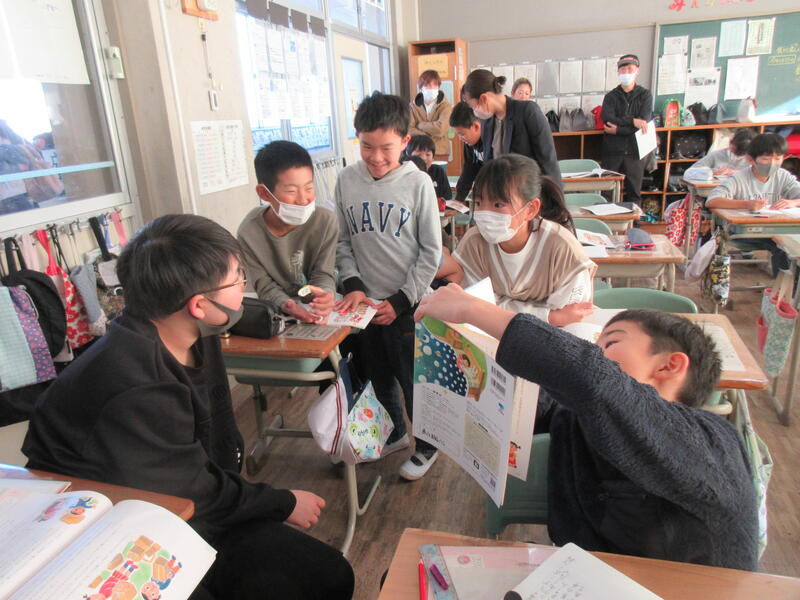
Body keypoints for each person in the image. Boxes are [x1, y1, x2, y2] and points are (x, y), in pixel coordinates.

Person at [23, 214, 354, 600]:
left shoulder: (190, 328)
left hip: (180, 495)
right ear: (199, 305)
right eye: (238, 278)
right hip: (112, 524)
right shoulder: (137, 383)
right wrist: (283, 502)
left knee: (329, 575)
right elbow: (190, 494)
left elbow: (198, 477)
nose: (244, 285)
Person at [414, 285, 758, 571]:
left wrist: (474, 310)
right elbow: (538, 402)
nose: (595, 353)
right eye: (593, 346)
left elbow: (595, 380)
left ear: (669, 366)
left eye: (610, 344)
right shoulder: (576, 418)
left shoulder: (713, 441)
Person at [334, 91, 443, 481]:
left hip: (407, 305)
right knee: (376, 376)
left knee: (414, 382)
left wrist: (401, 300)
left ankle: (427, 445)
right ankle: (394, 433)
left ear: (405, 142)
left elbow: (431, 251)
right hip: (364, 305)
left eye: (386, 148)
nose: (376, 157)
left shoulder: (418, 184)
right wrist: (353, 285)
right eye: (366, 146)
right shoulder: (346, 180)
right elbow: (342, 241)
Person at [453, 154, 594, 327]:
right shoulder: (473, 243)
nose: (485, 213)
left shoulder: (562, 247)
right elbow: (475, 307)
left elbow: (571, 316)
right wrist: (549, 316)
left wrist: (499, 308)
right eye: (478, 203)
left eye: (498, 205)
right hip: (490, 335)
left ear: (530, 209)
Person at [237, 140, 337, 323]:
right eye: (291, 191)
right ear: (264, 193)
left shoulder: (325, 221)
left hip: (318, 308)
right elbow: (262, 283)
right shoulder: (249, 232)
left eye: (309, 188)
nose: (303, 199)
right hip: (278, 311)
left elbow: (324, 272)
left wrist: (324, 296)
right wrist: (287, 304)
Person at [706, 132, 800, 275]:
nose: (772, 164)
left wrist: (793, 202)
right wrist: (747, 204)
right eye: (766, 159)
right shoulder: (739, 178)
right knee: (783, 246)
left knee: (789, 244)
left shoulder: (783, 176)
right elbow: (712, 201)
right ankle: (783, 283)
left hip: (776, 228)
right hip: (747, 231)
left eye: (777, 159)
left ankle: (789, 284)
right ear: (751, 159)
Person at [461, 69, 561, 184]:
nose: (475, 112)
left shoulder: (528, 111)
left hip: (527, 188)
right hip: (501, 190)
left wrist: (554, 193)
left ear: (484, 98)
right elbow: (488, 163)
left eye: (474, 107)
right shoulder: (487, 122)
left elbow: (548, 161)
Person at [600, 54, 653, 205]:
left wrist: (618, 130)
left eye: (630, 68)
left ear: (637, 70)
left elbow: (643, 124)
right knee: (607, 193)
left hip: (635, 151)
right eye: (622, 69)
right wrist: (632, 121)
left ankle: (633, 220)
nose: (626, 72)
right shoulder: (611, 96)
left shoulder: (645, 96)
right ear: (618, 72)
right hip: (612, 151)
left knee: (634, 193)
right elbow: (608, 120)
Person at [409, 69, 453, 161]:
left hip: (440, 152)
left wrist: (420, 125)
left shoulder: (445, 106)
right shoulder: (413, 106)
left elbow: (440, 129)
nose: (431, 88)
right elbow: (409, 129)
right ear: (421, 87)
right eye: (427, 85)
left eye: (435, 85)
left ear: (438, 87)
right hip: (418, 152)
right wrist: (428, 135)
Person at [449, 102, 485, 202]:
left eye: (462, 134)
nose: (460, 139)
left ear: (476, 127)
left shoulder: (492, 141)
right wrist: (459, 199)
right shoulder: (470, 142)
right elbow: (469, 169)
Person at [687, 128, 757, 177]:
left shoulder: (755, 159)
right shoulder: (716, 155)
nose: (736, 157)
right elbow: (689, 172)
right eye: (733, 152)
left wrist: (734, 172)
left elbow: (760, 176)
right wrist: (711, 172)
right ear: (730, 141)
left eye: (741, 154)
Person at [407, 134, 452, 200]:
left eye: (428, 154)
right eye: (418, 155)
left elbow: (447, 197)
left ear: (433, 158)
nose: (424, 158)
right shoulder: (405, 173)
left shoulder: (438, 171)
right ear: (409, 156)